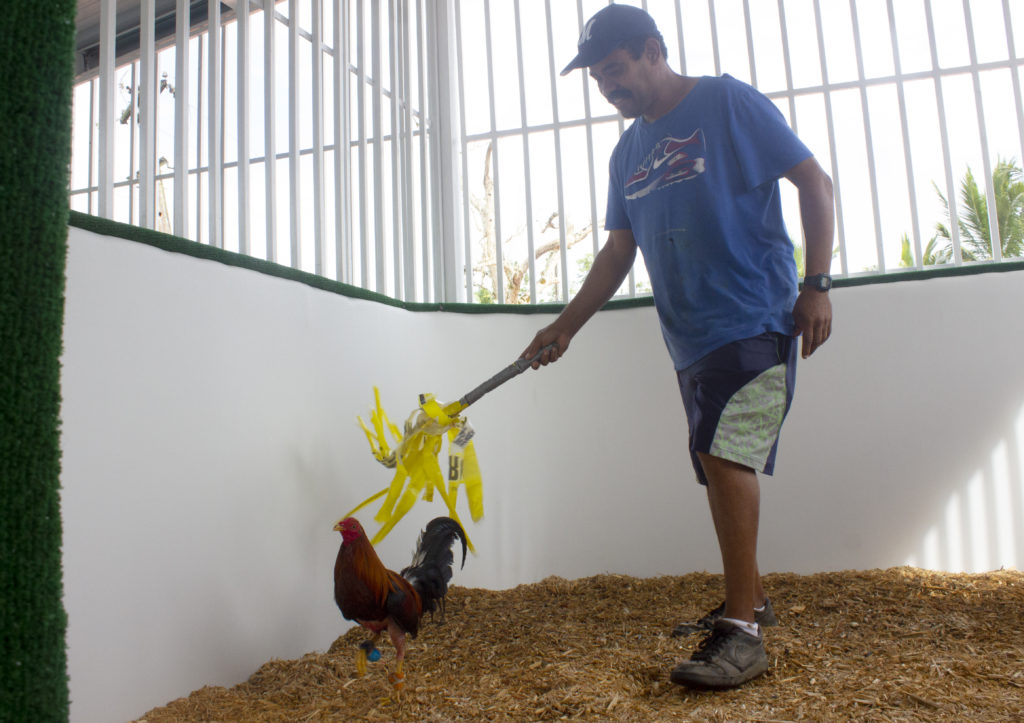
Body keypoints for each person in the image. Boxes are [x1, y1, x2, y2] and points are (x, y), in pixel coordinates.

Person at [521, 4, 835, 690]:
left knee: (727, 458)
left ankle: (744, 633)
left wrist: (816, 284)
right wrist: (564, 325)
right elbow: (616, 252)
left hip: (753, 316)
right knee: (716, 467)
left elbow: (814, 181)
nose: (608, 89)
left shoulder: (725, 102)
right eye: (599, 80)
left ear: (652, 51)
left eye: (614, 71)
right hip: (688, 338)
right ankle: (748, 599)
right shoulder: (627, 154)